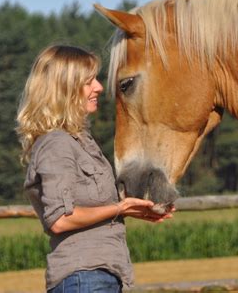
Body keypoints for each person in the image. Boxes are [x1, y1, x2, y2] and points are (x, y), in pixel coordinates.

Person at [16, 45, 173, 292]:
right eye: (89, 82)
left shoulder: (81, 142)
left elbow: (91, 207)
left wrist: (132, 210)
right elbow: (59, 219)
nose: (99, 87)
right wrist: (119, 207)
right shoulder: (57, 144)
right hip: (84, 279)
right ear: (64, 88)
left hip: (99, 276)